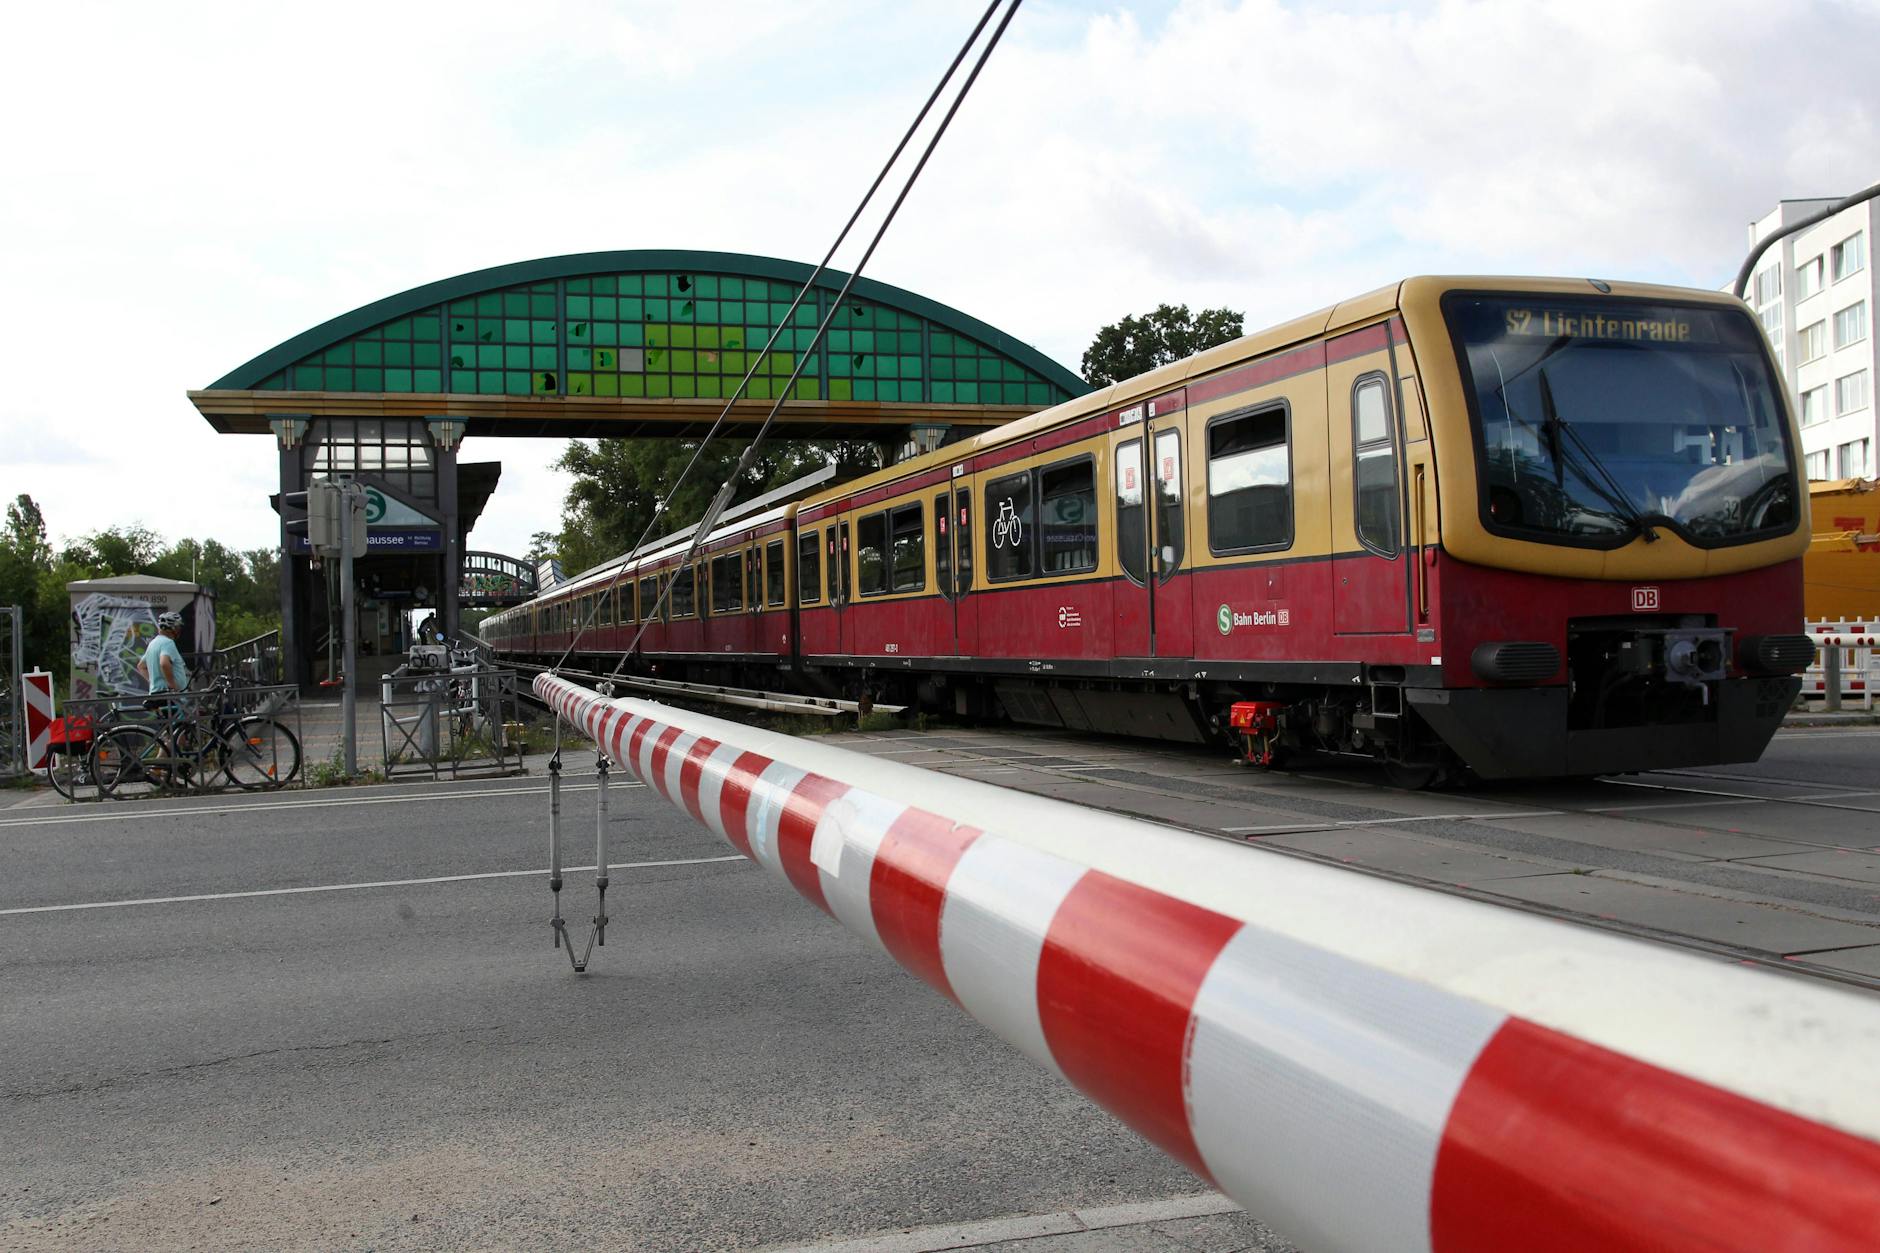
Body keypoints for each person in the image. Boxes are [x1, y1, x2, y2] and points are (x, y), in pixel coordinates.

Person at [136, 611, 191, 694]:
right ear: (173, 628)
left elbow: (141, 666)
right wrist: (172, 686)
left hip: (157, 694)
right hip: (170, 698)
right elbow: (164, 663)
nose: (179, 629)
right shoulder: (168, 643)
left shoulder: (153, 643)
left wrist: (154, 683)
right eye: (178, 627)